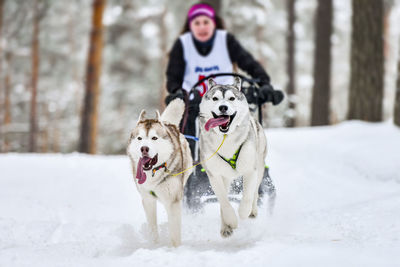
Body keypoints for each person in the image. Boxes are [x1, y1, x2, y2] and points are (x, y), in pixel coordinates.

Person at [165, 2, 283, 157]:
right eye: (197, 23)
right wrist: (176, 92)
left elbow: (248, 62)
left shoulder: (225, 40)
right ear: (190, 26)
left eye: (206, 22)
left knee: (242, 119)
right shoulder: (183, 44)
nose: (202, 27)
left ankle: (247, 163)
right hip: (194, 100)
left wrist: (264, 83)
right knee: (191, 125)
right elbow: (173, 75)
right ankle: (193, 166)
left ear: (213, 23)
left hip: (227, 99)